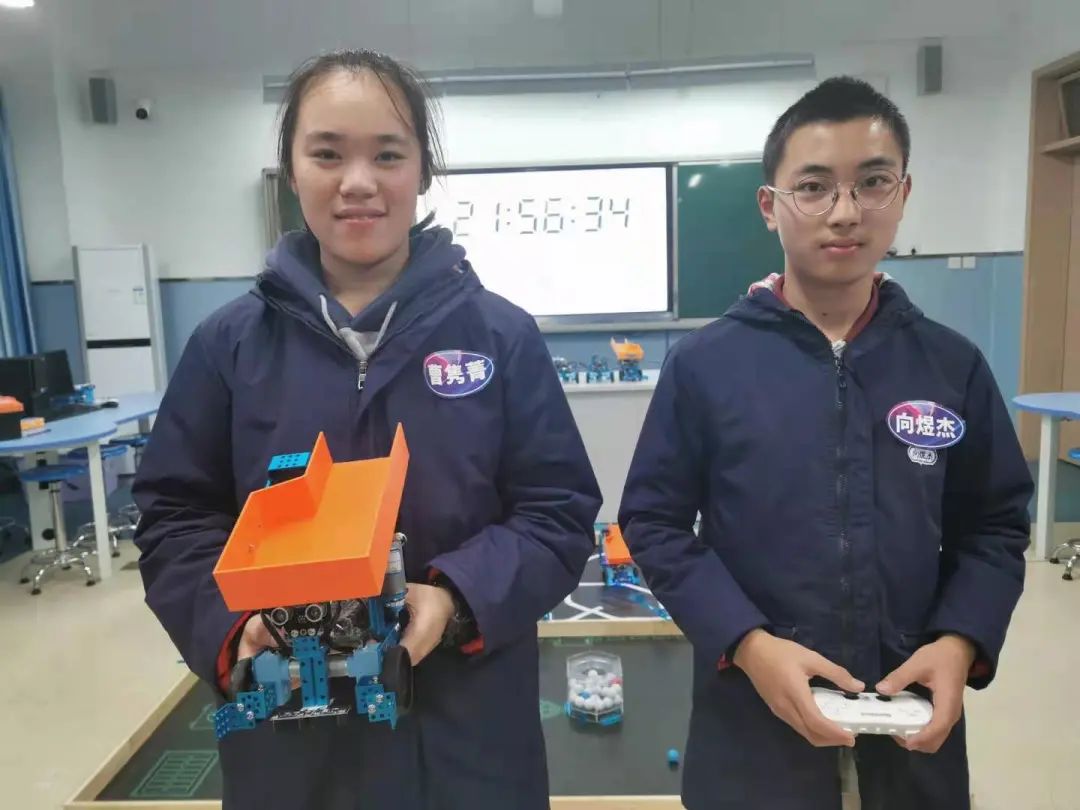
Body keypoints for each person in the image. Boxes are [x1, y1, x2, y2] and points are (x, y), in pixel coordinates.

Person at [133, 49, 601, 810]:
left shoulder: (500, 337)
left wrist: (455, 599)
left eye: (387, 154)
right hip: (292, 746)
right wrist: (232, 623)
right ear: (292, 173)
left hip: (467, 737)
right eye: (327, 154)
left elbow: (557, 513)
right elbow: (174, 516)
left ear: (422, 171)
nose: (358, 182)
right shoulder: (228, 346)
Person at [618, 76, 1032, 810]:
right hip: (753, 718)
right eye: (813, 187)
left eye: (872, 182)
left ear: (903, 194)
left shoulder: (950, 365)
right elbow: (654, 522)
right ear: (769, 205)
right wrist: (747, 643)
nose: (845, 212)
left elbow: (995, 525)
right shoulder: (706, 364)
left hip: (908, 720)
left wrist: (959, 641)